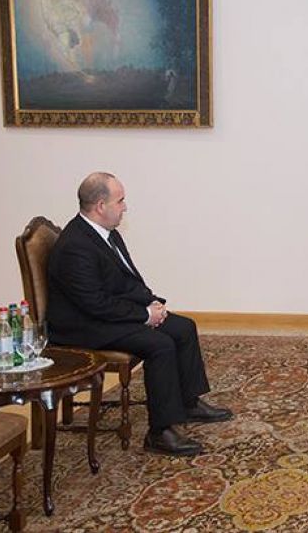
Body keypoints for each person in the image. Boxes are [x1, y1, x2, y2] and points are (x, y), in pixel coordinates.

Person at [47, 172, 232, 456]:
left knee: (183, 327)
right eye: (120, 201)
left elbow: (127, 281)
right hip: (84, 326)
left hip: (105, 313)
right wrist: (143, 315)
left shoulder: (107, 233)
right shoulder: (75, 247)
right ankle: (160, 432)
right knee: (160, 344)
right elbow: (94, 304)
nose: (125, 207)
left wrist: (151, 302)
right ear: (100, 206)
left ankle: (187, 403)